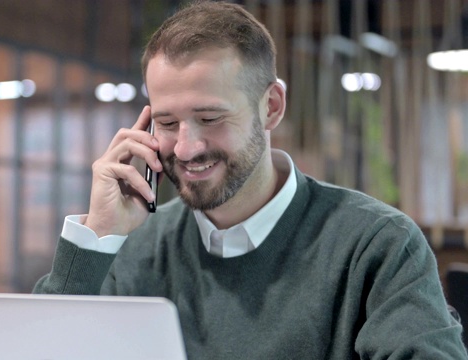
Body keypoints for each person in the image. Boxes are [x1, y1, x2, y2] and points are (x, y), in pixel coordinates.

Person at [34, 1, 468, 358]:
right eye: (166, 122)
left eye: (210, 118)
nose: (186, 148)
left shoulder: (376, 244)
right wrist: (98, 236)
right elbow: (38, 348)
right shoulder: (135, 247)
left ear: (272, 107)